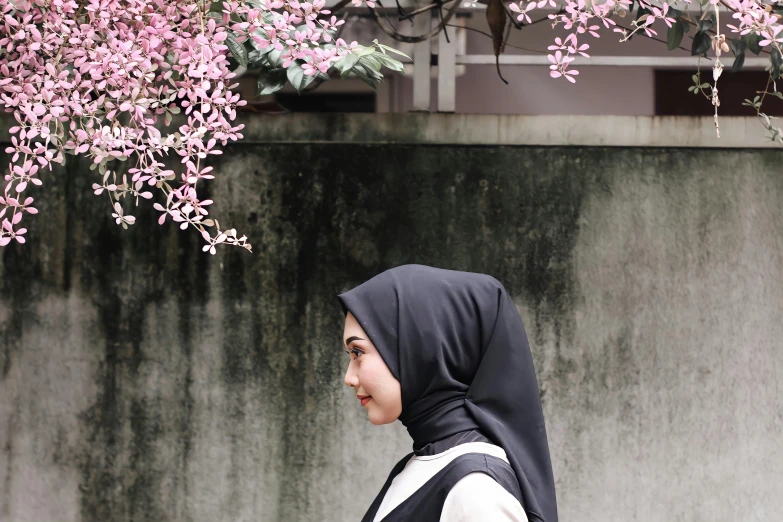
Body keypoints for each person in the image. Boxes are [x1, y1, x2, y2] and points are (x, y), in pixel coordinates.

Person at [337, 264, 558, 522]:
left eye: (358, 352)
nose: (349, 378)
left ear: (419, 348)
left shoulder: (476, 491)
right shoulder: (423, 465)